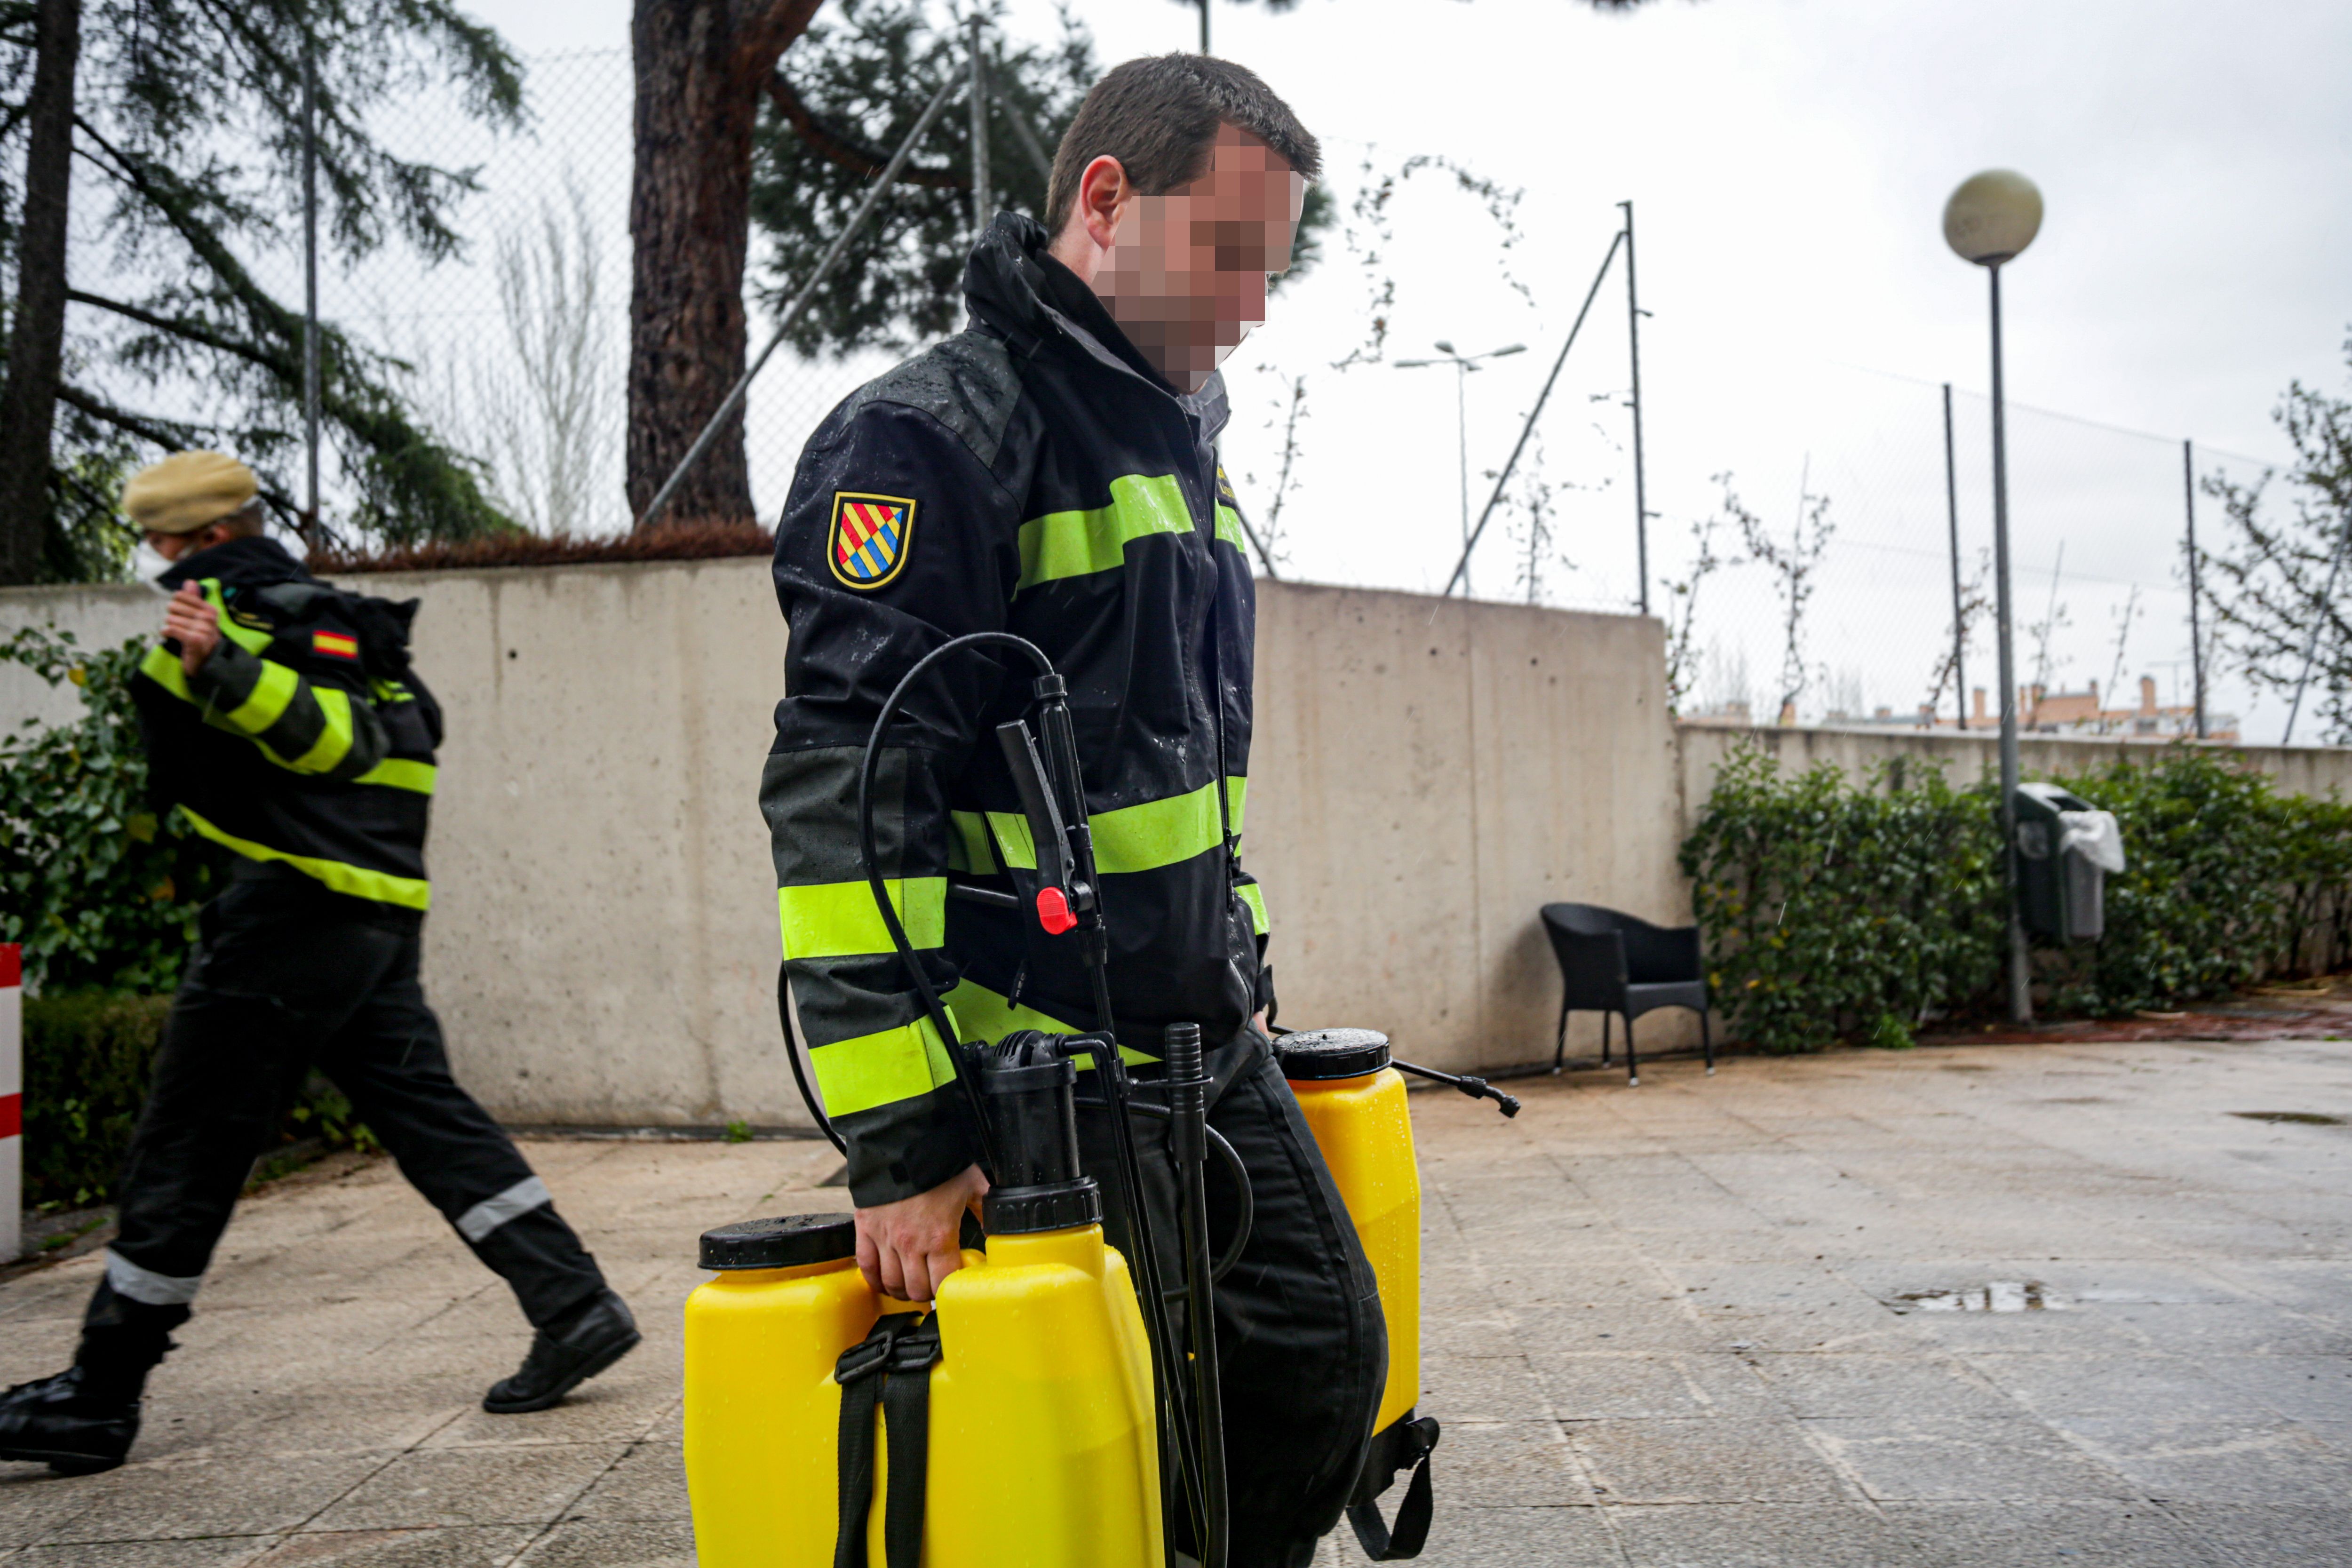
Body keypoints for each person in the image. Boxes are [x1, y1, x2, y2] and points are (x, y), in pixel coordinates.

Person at [761, 56, 1383, 1568]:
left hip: (1198, 1037)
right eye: (1231, 255)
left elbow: (1185, 782)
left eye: (1272, 270)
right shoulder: (926, 441)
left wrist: (1243, 972)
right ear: (1104, 201)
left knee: (1315, 1360)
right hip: (1040, 1066)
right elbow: (849, 814)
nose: (1250, 305)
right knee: (1128, 1442)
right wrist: (905, 1140)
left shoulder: (1171, 439)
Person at [0, 453, 638, 1476]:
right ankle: (573, 1303)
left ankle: (99, 1392)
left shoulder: (246, 613)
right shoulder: (345, 619)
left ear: (199, 538)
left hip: (288, 910)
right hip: (373, 913)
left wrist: (222, 668)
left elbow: (331, 744)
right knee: (428, 1118)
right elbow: (413, 732)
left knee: (189, 1139)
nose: (159, 564)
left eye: (162, 545)